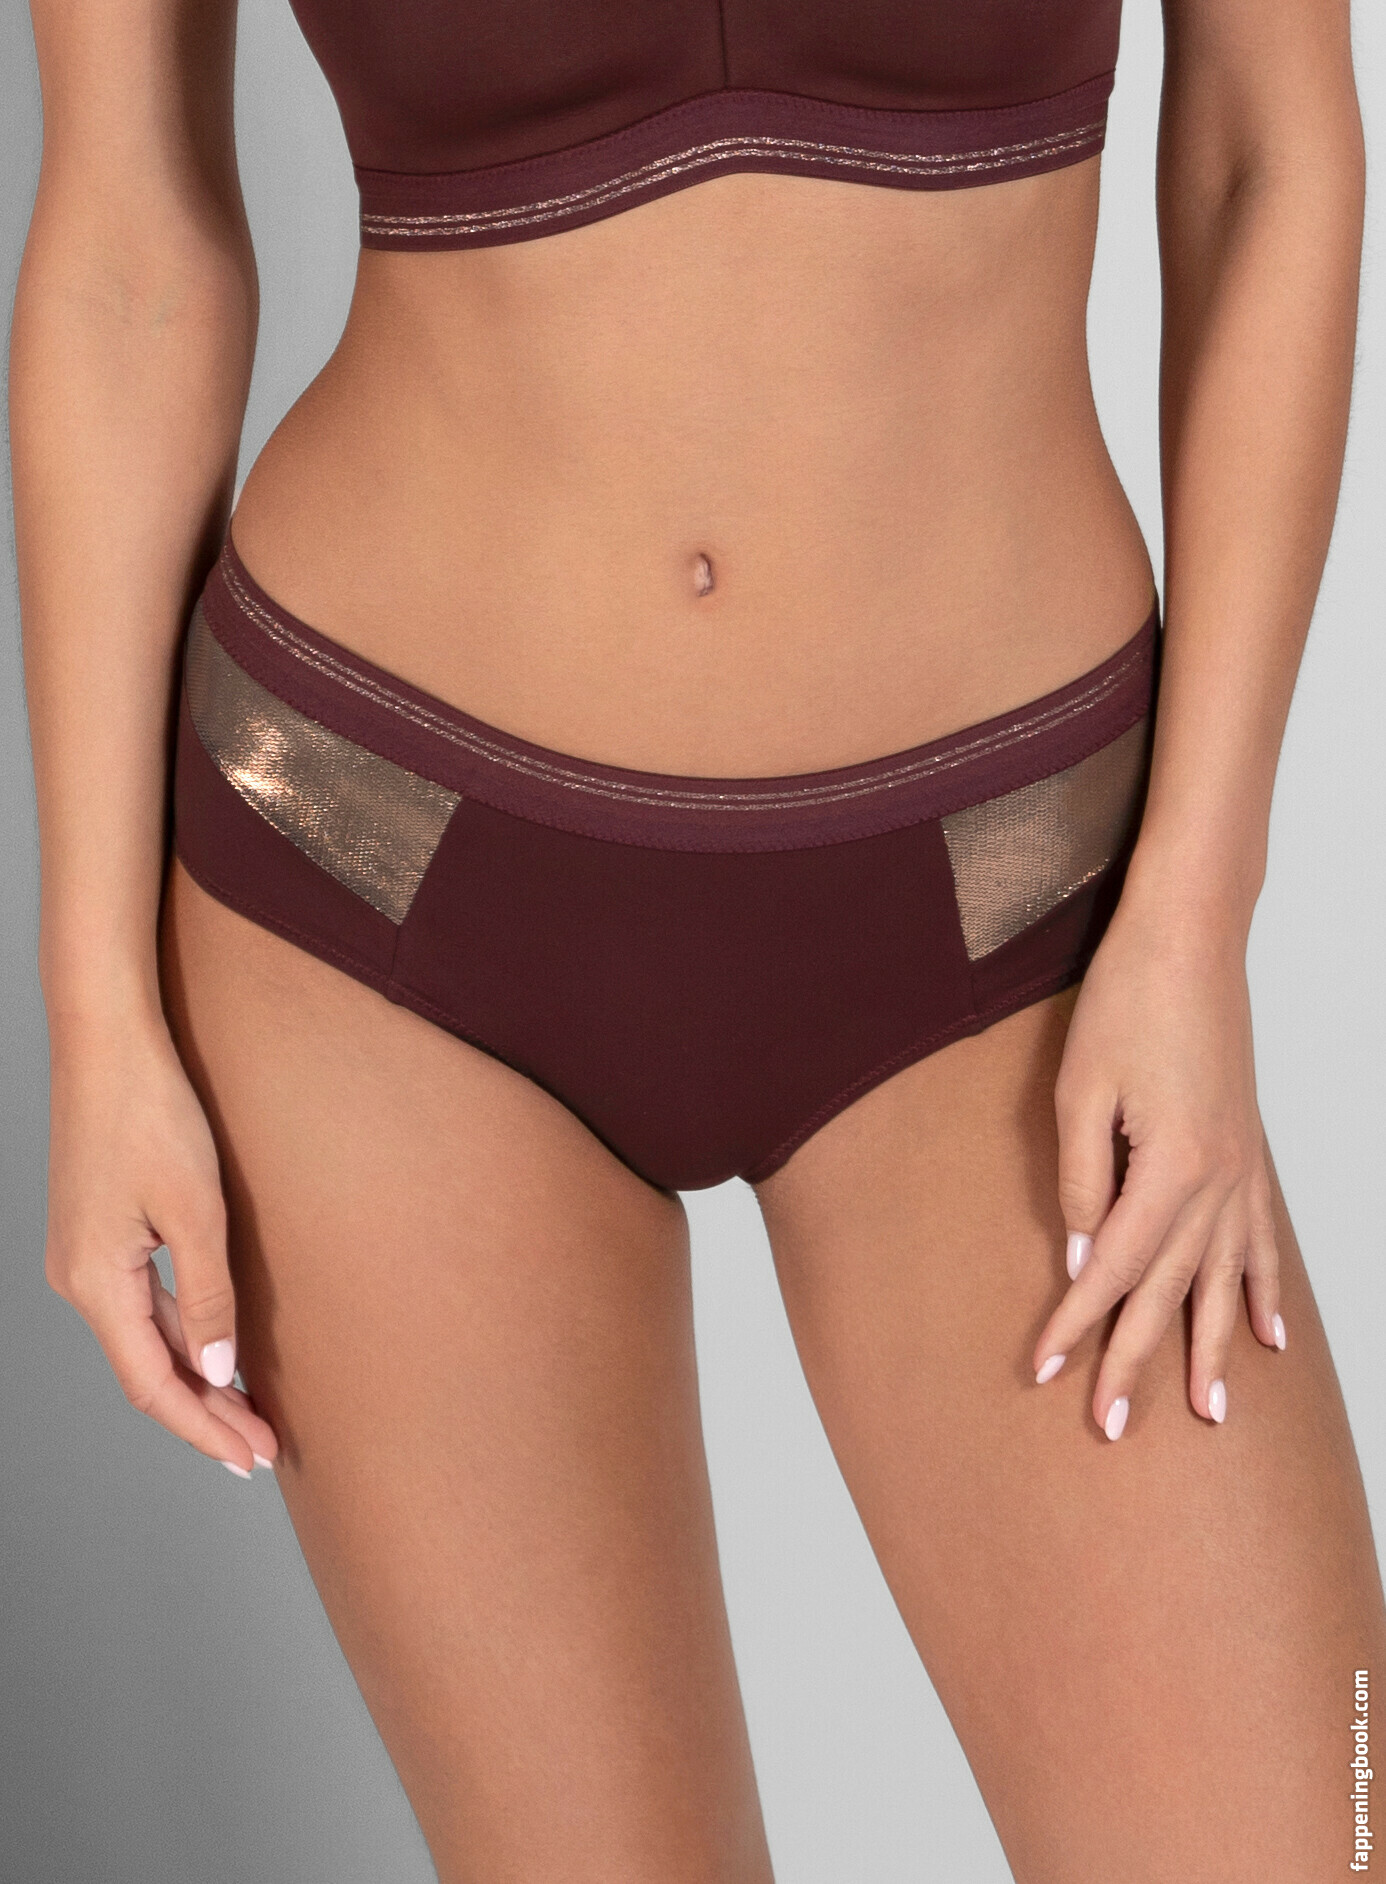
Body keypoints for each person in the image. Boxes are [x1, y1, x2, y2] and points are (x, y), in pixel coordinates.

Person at [10, 0, 1383, 1876]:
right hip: (379, 881)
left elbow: (1265, 153)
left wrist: (1194, 922)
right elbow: (127, 249)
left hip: (1015, 910)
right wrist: (94, 1010)